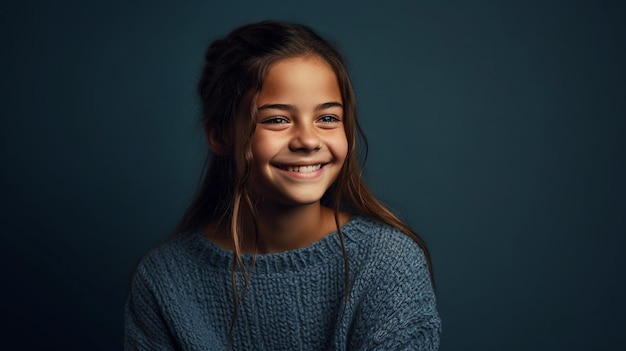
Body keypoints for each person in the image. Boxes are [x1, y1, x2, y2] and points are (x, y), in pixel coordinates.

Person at [124, 20, 441, 350]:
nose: (307, 140)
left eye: (327, 118)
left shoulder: (388, 263)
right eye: (277, 119)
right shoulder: (163, 280)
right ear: (219, 136)